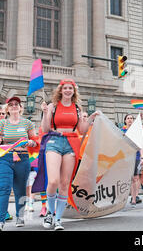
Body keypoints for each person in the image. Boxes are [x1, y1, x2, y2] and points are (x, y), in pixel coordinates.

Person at [36, 79, 99, 230]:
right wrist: (45, 114)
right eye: (65, 88)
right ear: (60, 90)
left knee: (65, 184)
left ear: (74, 91)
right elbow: (45, 129)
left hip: (71, 144)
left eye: (70, 88)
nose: (68, 90)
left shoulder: (77, 108)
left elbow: (82, 130)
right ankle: (50, 213)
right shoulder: (53, 106)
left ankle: (58, 219)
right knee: (53, 182)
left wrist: (90, 119)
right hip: (54, 141)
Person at [0, 96, 41, 231]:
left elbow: (35, 140)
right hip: (5, 158)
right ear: (8, 109)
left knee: (20, 190)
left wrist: (32, 142)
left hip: (22, 158)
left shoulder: (27, 123)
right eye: (11, 104)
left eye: (16, 104)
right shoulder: (2, 124)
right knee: (3, 188)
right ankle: (0, 221)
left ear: (20, 107)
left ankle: (20, 216)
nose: (14, 106)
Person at [122, 113, 143, 207]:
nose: (130, 120)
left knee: (135, 178)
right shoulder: (122, 131)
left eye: (131, 118)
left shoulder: (137, 132)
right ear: (125, 121)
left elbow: (141, 145)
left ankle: (134, 198)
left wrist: (142, 157)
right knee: (128, 178)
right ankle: (127, 197)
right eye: (128, 118)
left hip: (135, 156)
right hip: (125, 157)